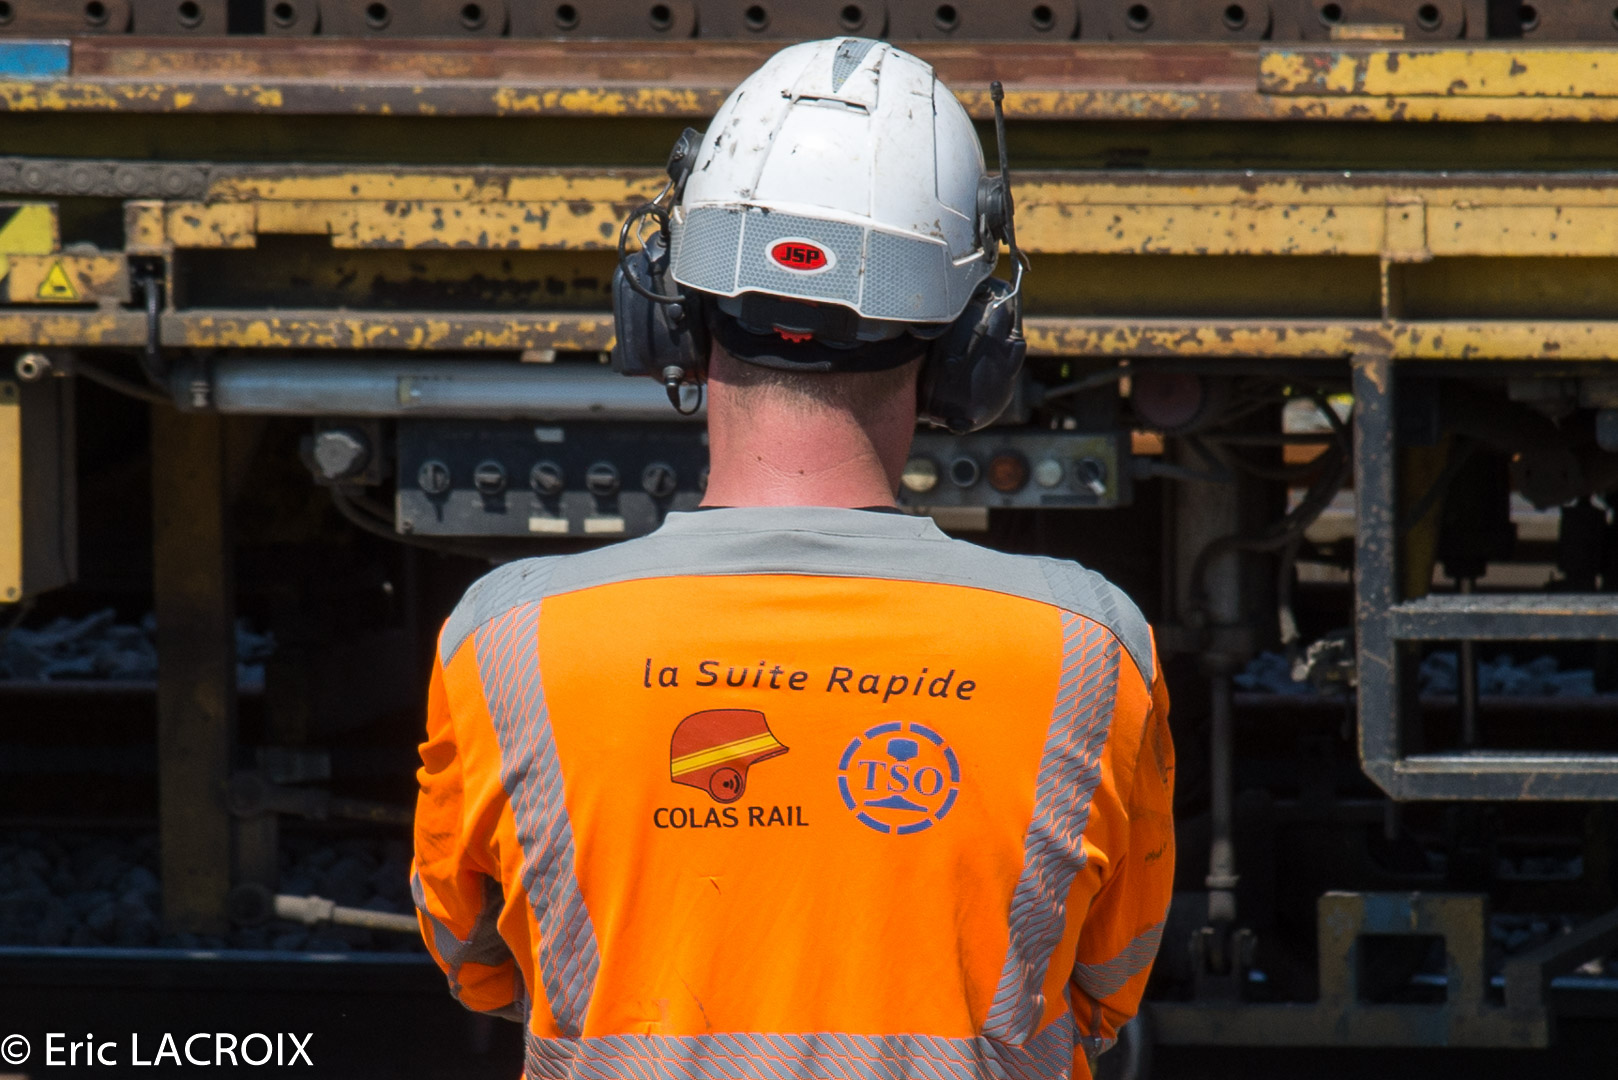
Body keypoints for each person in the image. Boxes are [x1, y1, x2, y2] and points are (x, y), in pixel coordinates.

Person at [412, 37, 1173, 1080]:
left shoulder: (504, 638)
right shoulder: (1089, 646)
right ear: (971, 347)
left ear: (669, 315)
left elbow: (477, 961)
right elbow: (1105, 982)